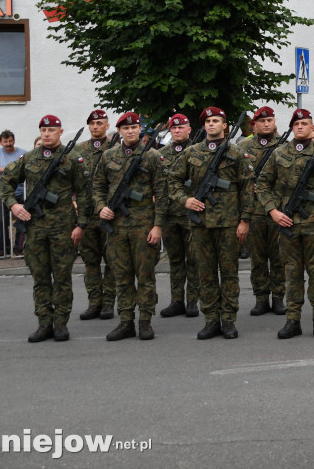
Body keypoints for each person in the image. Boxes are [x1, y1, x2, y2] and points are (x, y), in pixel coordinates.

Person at [254, 108, 314, 339]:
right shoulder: (279, 153)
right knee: (291, 272)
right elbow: (262, 184)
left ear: (313, 127)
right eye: (296, 124)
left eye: (305, 123)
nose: (301, 127)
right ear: (291, 128)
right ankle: (292, 320)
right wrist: (272, 211)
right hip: (288, 223)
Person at [167, 107, 254, 340]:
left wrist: (245, 220)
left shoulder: (236, 153)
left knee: (229, 273)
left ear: (225, 125)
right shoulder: (191, 152)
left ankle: (228, 320)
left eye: (216, 121)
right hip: (201, 224)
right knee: (205, 273)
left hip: (228, 224)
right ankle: (210, 320)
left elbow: (247, 188)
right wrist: (186, 200)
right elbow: (172, 180)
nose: (211, 124)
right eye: (208, 121)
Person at [2, 115, 87, 342]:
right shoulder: (29, 158)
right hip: (36, 227)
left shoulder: (72, 158)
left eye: (52, 130)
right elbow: (6, 181)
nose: (47, 133)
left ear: (60, 132)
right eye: (43, 130)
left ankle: (60, 323)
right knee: (40, 277)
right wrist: (14, 205)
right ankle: (43, 323)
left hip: (63, 227)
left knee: (62, 277)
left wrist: (81, 225)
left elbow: (85, 193)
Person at [92, 112, 166, 341]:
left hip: (144, 224)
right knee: (121, 276)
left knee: (145, 275)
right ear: (120, 131)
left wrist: (158, 226)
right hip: (116, 226)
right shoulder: (108, 156)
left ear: (140, 130)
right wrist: (100, 207)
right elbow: (97, 187)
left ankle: (145, 321)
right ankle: (126, 321)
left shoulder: (153, 156)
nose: (131, 131)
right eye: (126, 128)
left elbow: (162, 194)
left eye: (135, 127)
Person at [70, 110, 119, 319]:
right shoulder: (78, 150)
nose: (96, 127)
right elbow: (70, 178)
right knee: (90, 261)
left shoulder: (117, 150)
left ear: (107, 126)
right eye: (92, 124)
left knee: (111, 261)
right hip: (86, 215)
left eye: (100, 123)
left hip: (110, 213)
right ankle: (94, 303)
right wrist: (72, 200)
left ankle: (108, 303)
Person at [238, 106, 287, 317]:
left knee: (278, 257)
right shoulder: (243, 146)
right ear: (254, 124)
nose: (266, 124)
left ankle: (278, 298)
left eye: (270, 120)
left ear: (274, 123)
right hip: (253, 210)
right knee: (257, 258)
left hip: (278, 209)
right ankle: (260, 298)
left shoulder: (285, 145)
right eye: (262, 120)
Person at [158, 113, 201, 318]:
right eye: (174, 128)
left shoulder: (198, 151)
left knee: (193, 259)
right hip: (169, 215)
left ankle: (192, 300)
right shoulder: (161, 154)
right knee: (175, 260)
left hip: (190, 214)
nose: (177, 131)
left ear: (189, 129)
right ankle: (177, 300)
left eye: (181, 127)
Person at [0, 130, 27, 255]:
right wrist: (3, 169)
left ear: (14, 141)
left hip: (20, 192)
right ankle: (4, 249)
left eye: (10, 141)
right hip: (4, 193)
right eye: (5, 141)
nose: (8, 144)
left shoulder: (23, 153)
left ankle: (18, 248)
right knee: (1, 222)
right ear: (0, 142)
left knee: (21, 221)